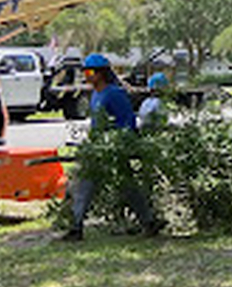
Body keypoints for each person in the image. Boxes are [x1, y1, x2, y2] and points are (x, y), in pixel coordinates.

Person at [59, 53, 158, 241]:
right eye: (85, 71)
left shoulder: (115, 94)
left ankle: (149, 222)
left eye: (89, 71)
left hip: (115, 148)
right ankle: (76, 227)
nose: (86, 75)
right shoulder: (96, 94)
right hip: (99, 149)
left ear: (101, 73)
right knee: (85, 185)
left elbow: (128, 122)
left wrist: (117, 142)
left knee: (127, 186)